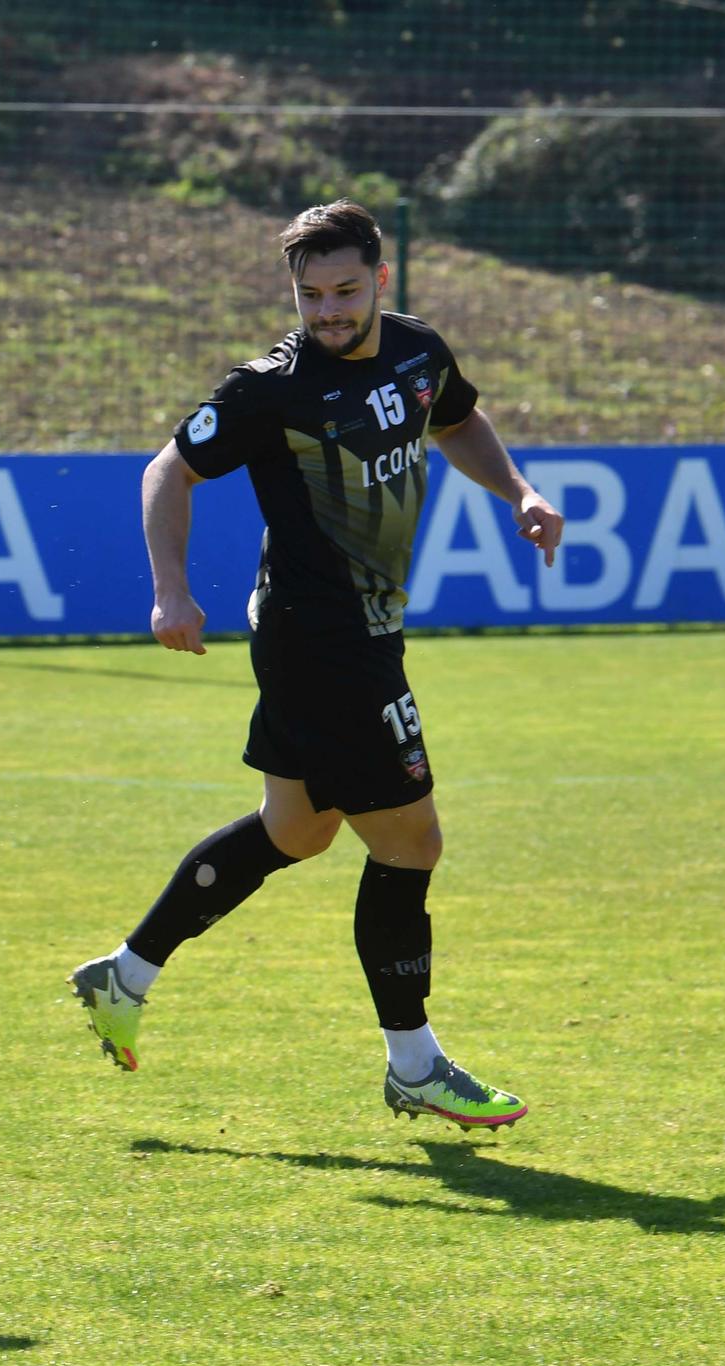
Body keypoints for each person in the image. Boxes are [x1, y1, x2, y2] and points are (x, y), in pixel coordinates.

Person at [68, 200, 564, 1131]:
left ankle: (122, 975)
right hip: (319, 635)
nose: (327, 311)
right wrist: (169, 590)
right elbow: (165, 472)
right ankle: (413, 1063)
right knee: (411, 840)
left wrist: (522, 492)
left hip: (358, 629)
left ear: (381, 278)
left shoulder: (418, 351)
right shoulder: (271, 388)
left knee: (295, 830)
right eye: (309, 295)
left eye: (343, 291)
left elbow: (458, 421)